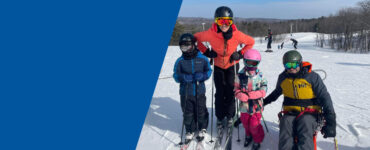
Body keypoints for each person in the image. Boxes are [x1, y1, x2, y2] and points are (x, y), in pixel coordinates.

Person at [194, 6, 255, 130]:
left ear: (231, 22)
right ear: (216, 21)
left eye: (228, 21)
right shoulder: (210, 34)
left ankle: (230, 115)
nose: (224, 25)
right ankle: (220, 117)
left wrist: (240, 53)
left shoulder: (237, 35)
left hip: (232, 65)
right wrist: (206, 52)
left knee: (231, 91)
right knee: (220, 92)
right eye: (221, 21)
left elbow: (251, 42)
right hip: (218, 66)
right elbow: (195, 38)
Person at [263, 50, 336, 150]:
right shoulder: (283, 77)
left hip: (311, 113)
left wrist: (331, 122)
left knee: (305, 122)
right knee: (286, 122)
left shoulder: (312, 77)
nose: (291, 68)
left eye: (294, 65)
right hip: (291, 112)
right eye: (288, 65)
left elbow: (325, 97)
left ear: (300, 63)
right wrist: (263, 102)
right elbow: (276, 93)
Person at [173, 33, 212, 143]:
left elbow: (208, 71)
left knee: (201, 110)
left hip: (200, 90)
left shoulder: (203, 58)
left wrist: (203, 76)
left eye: (188, 46)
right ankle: (190, 130)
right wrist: (183, 77)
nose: (186, 49)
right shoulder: (180, 61)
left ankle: (202, 128)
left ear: (194, 45)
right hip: (186, 92)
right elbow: (176, 75)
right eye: (183, 47)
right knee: (187, 112)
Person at [234, 49, 267, 150]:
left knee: (254, 124)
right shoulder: (240, 75)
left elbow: (264, 88)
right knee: (245, 122)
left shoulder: (260, 75)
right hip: (244, 106)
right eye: (249, 62)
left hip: (257, 106)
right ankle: (248, 135)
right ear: (244, 61)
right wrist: (239, 94)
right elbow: (235, 88)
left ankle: (257, 139)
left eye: (254, 63)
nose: (251, 66)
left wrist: (256, 94)